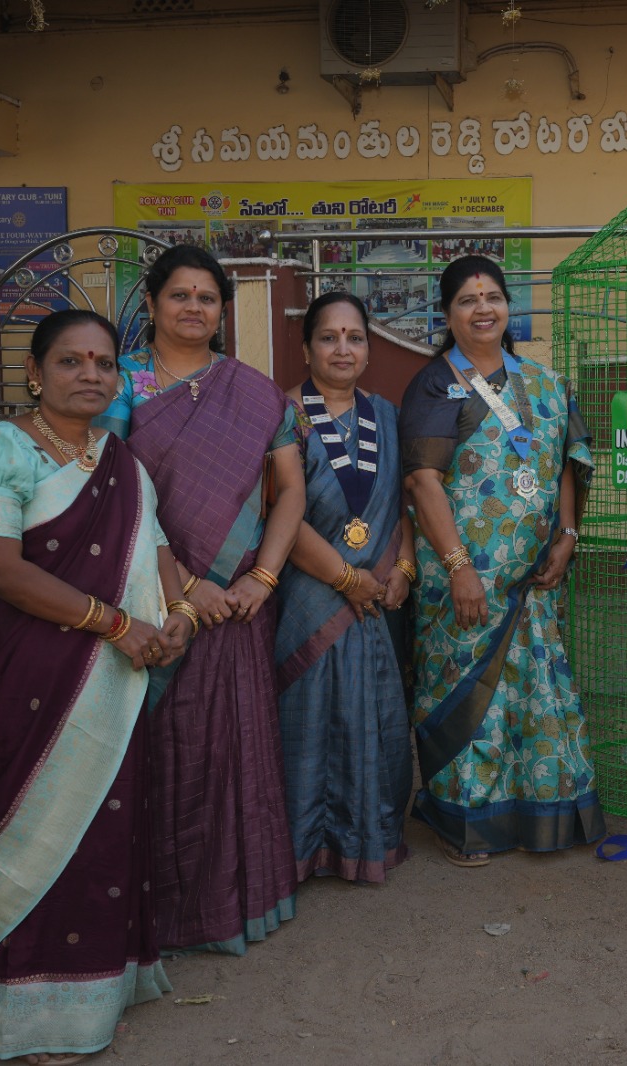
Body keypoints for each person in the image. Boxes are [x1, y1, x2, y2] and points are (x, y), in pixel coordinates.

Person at [0, 309, 198, 1063]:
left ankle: (99, 988)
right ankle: (26, 1016)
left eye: (102, 363)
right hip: (30, 672)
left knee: (105, 830)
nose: (89, 374)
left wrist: (182, 610)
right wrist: (115, 625)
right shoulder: (2, 448)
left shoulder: (122, 461)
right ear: (35, 372)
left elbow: (156, 548)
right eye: (70, 361)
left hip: (112, 683)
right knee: (33, 831)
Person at [96, 244, 303, 954]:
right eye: (179, 295)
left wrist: (262, 578)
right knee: (163, 753)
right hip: (150, 598)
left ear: (223, 310)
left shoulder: (252, 391)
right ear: (151, 304)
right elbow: (111, 494)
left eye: (207, 297)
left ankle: (236, 899)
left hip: (240, 602)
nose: (193, 308)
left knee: (234, 752)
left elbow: (289, 493)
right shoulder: (119, 386)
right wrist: (184, 582)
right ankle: (163, 912)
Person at [399, 255, 605, 866]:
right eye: (467, 299)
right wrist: (460, 566)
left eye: (492, 296)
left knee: (534, 695)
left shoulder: (542, 382)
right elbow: (422, 481)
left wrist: (568, 535)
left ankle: (538, 810)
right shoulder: (437, 384)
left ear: (508, 306)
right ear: (447, 314)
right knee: (469, 700)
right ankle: (466, 823)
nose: (482, 308)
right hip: (464, 584)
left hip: (537, 578)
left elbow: (570, 459)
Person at [277, 292, 416, 883]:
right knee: (309, 722)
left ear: (367, 349)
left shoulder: (387, 414)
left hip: (380, 600)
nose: (342, 348)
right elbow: (281, 512)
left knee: (377, 719)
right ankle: (308, 847)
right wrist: (343, 577)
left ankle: (369, 838)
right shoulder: (281, 413)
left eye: (354, 337)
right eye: (328, 336)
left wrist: (404, 569)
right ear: (306, 346)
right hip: (309, 596)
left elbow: (405, 505)